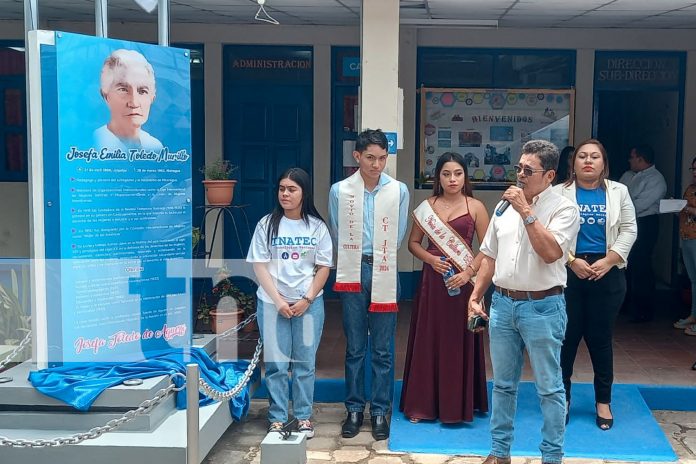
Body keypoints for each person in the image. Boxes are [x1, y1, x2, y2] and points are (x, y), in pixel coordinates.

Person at [468, 140, 579, 464]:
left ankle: (551, 457)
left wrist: (526, 211)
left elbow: (550, 253)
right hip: (502, 304)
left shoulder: (564, 208)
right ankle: (499, 453)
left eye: (528, 171)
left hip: (543, 307)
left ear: (549, 175)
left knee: (549, 388)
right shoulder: (503, 208)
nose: (519, 175)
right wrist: (476, 295)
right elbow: (489, 255)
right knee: (503, 385)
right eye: (518, 168)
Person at [328, 129, 410, 441]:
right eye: (370, 158)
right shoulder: (340, 191)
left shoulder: (398, 190)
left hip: (385, 269)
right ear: (357, 156)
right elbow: (337, 230)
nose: (376, 164)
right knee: (355, 346)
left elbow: (399, 232)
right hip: (353, 269)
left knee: (382, 348)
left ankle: (379, 411)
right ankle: (353, 409)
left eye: (382, 158)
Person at [400, 152, 489, 423]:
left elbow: (487, 249)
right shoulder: (427, 206)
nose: (452, 179)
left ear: (465, 176)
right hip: (432, 283)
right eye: (446, 174)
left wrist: (468, 273)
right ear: (437, 177)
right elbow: (413, 243)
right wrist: (430, 259)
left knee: (457, 339)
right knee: (429, 338)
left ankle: (459, 405)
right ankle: (422, 405)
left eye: (458, 174)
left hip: (463, 284)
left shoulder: (476, 207)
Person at [553, 139, 637, 431]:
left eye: (595, 157)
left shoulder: (619, 191)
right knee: (566, 339)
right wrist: (571, 260)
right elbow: (548, 232)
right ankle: (561, 399)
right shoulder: (557, 193)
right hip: (568, 273)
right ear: (573, 163)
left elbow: (628, 229)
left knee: (600, 340)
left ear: (604, 163)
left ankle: (603, 401)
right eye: (582, 157)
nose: (588, 161)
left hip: (607, 272)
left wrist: (610, 260)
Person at [246, 168, 333, 438]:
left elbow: (323, 268)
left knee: (305, 363)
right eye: (282, 188)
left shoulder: (317, 227)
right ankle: (277, 418)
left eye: (292, 189)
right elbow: (259, 267)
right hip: (273, 304)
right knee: (276, 364)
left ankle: (304, 416)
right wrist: (278, 300)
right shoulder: (266, 224)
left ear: (304, 193)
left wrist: (306, 299)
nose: (285, 193)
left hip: (309, 304)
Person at [619, 144, 666, 323]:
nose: (629, 160)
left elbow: (640, 204)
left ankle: (644, 309)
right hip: (624, 222)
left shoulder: (656, 179)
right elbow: (617, 197)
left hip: (645, 224)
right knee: (624, 263)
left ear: (640, 158)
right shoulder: (627, 175)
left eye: (632, 157)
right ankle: (625, 305)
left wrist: (622, 210)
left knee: (642, 265)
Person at [94, 49, 164, 152]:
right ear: (105, 96)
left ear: (152, 97)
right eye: (123, 90)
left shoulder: (156, 146)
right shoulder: (93, 143)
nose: (134, 103)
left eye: (142, 91)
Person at [675, 157, 696, 335]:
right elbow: (684, 208)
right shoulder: (691, 189)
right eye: (693, 169)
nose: (695, 172)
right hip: (687, 237)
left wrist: (690, 210)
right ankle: (693, 315)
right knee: (693, 279)